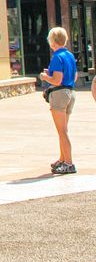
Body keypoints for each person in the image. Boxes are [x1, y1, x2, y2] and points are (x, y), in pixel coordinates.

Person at [40, 26, 77, 174]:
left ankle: (68, 163)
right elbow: (73, 77)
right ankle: (62, 158)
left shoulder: (56, 57)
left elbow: (56, 80)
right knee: (63, 130)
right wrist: (52, 74)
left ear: (53, 41)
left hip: (59, 94)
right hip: (70, 92)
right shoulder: (69, 55)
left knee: (62, 131)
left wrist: (45, 77)